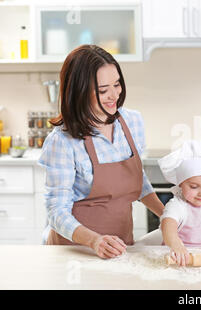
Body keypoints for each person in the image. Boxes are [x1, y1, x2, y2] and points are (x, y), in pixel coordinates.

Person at [38, 45, 165, 259]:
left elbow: (137, 180)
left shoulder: (132, 122)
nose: (114, 95)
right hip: (73, 251)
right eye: (103, 90)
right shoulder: (62, 141)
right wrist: (94, 240)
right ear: (79, 91)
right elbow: (56, 212)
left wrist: (168, 216)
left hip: (118, 246)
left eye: (117, 84)